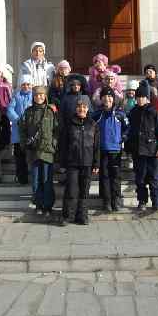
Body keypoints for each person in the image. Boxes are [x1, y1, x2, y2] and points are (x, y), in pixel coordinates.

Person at [58, 95, 99, 225]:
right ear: (76, 108)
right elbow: (63, 145)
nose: (82, 109)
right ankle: (67, 216)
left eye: (84, 107)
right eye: (79, 106)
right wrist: (63, 163)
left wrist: (96, 163)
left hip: (87, 162)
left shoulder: (93, 124)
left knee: (84, 191)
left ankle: (82, 216)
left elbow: (96, 146)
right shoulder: (69, 124)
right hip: (72, 163)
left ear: (88, 108)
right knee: (71, 190)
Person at [19, 86, 58, 217]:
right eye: (36, 95)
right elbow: (22, 129)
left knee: (47, 181)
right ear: (33, 97)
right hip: (33, 151)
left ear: (45, 96)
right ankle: (38, 205)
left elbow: (57, 130)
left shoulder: (51, 111)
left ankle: (48, 206)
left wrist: (54, 144)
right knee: (36, 181)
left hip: (47, 151)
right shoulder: (28, 112)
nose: (39, 97)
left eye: (41, 95)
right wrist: (24, 144)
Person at [126, 84, 158, 211]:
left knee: (154, 178)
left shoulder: (154, 112)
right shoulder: (133, 112)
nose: (139, 99)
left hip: (152, 151)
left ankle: (156, 203)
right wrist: (129, 148)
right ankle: (142, 201)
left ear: (147, 98)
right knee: (140, 179)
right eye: (138, 97)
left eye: (142, 97)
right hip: (138, 151)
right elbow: (130, 132)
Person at [92, 87, 128, 211]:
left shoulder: (120, 113)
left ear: (113, 98)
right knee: (105, 176)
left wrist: (123, 137)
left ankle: (116, 200)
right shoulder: (97, 114)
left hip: (115, 150)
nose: (107, 99)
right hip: (102, 150)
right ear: (101, 99)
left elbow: (127, 128)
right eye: (104, 96)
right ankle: (106, 201)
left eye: (109, 96)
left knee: (116, 176)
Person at [6, 75, 34, 185]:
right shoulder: (16, 96)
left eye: (28, 84)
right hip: (18, 132)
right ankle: (22, 178)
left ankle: (33, 177)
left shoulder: (34, 96)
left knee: (31, 156)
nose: (26, 86)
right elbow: (10, 110)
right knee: (20, 157)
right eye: (24, 84)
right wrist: (17, 119)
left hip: (31, 131)